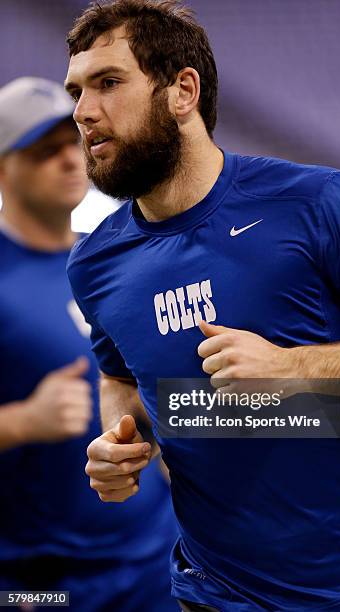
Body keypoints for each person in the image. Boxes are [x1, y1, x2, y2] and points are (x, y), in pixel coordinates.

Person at [64, 1, 340, 610]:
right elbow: (118, 374)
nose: (84, 112)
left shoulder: (325, 203)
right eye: (77, 91)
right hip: (213, 589)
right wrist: (119, 441)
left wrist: (295, 368)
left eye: (109, 83)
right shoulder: (96, 262)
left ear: (182, 91)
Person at [0, 76, 178, 612]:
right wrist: (23, 421)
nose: (68, 159)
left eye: (71, 142)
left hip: (156, 558)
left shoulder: (113, 262)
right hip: (43, 584)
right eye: (42, 150)